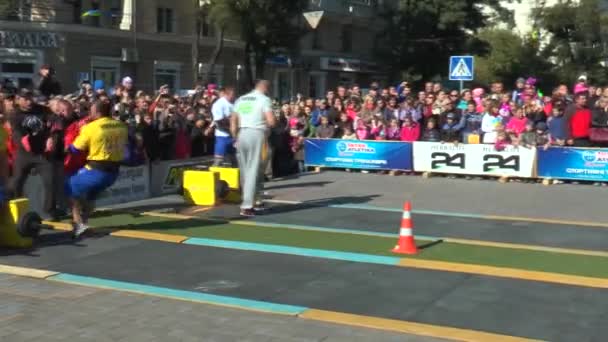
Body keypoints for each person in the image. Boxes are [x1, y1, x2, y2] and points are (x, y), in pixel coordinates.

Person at [65, 99, 128, 238]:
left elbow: (75, 149)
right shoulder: (121, 126)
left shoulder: (91, 127)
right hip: (113, 173)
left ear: (97, 112)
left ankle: (78, 223)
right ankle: (85, 222)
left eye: (91, 110)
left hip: (96, 170)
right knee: (91, 196)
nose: (89, 113)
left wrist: (66, 147)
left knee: (68, 185)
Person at [230, 80, 276, 218]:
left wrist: (235, 137)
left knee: (245, 170)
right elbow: (271, 121)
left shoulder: (241, 99)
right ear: (265, 88)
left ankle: (255, 200)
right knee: (254, 169)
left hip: (241, 133)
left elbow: (233, 120)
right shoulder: (264, 99)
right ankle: (247, 206)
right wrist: (273, 123)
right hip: (257, 133)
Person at [211, 87, 236, 166]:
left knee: (234, 160)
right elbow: (219, 122)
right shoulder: (218, 104)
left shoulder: (235, 103)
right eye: (232, 95)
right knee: (219, 160)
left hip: (234, 136)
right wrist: (231, 130)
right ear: (226, 94)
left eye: (234, 95)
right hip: (223, 136)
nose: (233, 97)